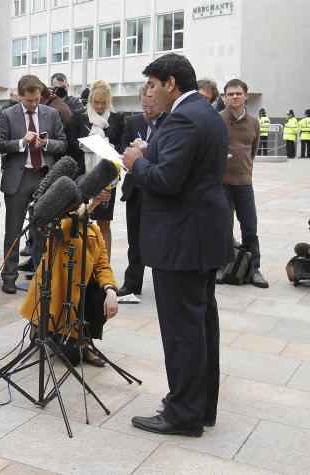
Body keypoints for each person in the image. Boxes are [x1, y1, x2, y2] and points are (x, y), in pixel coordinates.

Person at [122, 53, 233, 437]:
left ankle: (183, 413)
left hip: (184, 239)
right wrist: (149, 153)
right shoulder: (206, 112)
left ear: (170, 83)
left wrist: (136, 162)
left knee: (183, 328)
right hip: (201, 235)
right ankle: (200, 406)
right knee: (201, 324)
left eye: (152, 85)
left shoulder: (184, 117)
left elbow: (167, 181)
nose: (149, 92)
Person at [20, 199, 119, 367]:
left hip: (78, 297)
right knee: (73, 360)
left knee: (102, 295)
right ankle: (43, 327)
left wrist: (111, 291)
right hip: (56, 302)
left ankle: (84, 340)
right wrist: (93, 202)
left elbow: (103, 266)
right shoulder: (61, 225)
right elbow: (68, 228)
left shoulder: (95, 232)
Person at [0, 74, 67, 294]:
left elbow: (63, 144)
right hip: (18, 177)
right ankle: (9, 276)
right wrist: (20, 143)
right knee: (13, 230)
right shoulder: (7, 115)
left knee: (42, 229)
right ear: (19, 96)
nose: (34, 104)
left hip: (44, 177)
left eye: (37, 100)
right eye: (29, 101)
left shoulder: (51, 114)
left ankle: (42, 273)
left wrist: (47, 144)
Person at [116, 84, 166, 304]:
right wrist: (131, 148)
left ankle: (163, 282)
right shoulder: (134, 121)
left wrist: (148, 153)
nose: (149, 110)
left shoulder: (171, 122)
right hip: (135, 187)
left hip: (157, 186)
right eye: (144, 106)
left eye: (153, 105)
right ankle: (132, 282)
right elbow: (121, 146)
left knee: (159, 237)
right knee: (134, 237)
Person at [218, 79, 268, 288]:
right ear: (224, 98)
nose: (235, 97)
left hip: (244, 183)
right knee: (222, 227)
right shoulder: (218, 120)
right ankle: (222, 267)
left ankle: (254, 268)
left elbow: (252, 150)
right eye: (230, 94)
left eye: (238, 93)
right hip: (222, 183)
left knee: (249, 227)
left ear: (246, 96)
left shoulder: (254, 122)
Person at [74, 80, 124, 258]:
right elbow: (71, 143)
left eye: (103, 103)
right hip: (84, 174)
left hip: (107, 175)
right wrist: (84, 141)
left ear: (108, 101)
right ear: (90, 101)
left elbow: (122, 145)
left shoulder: (117, 118)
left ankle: (105, 264)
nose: (100, 106)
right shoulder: (81, 116)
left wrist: (106, 143)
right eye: (96, 102)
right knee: (81, 217)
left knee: (104, 221)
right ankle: (84, 261)